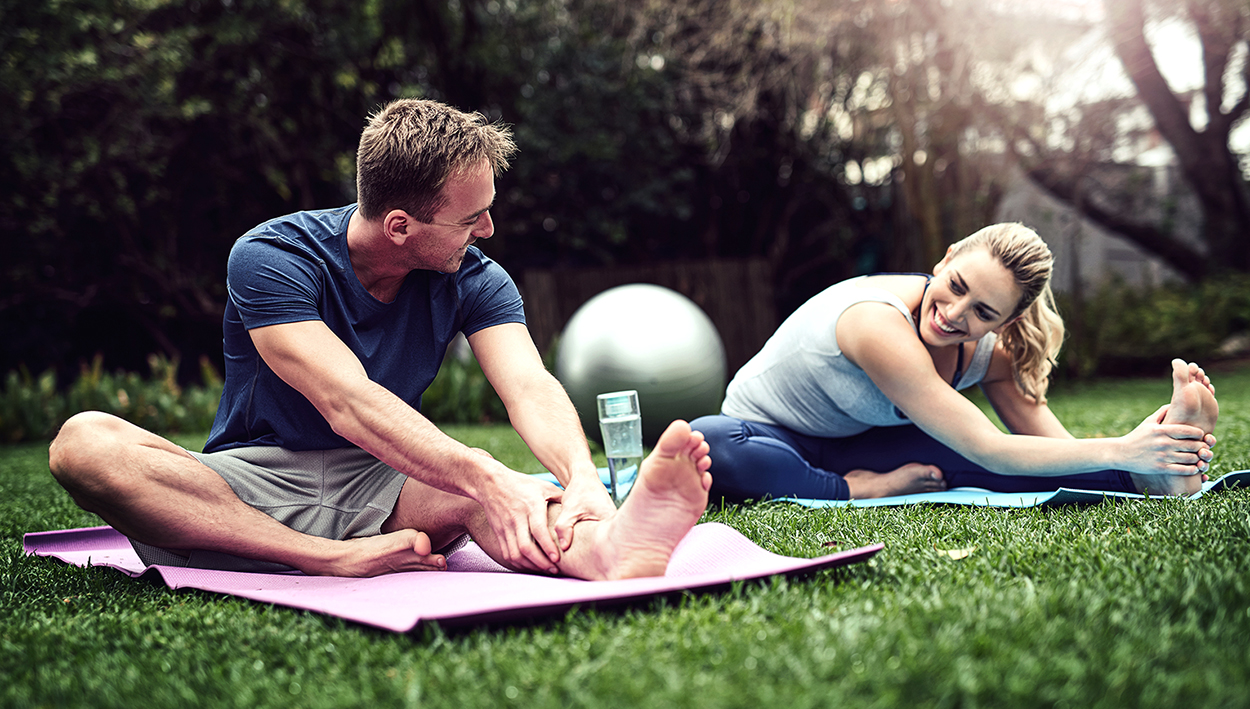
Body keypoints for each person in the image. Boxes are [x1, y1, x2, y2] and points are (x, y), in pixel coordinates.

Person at [48, 98, 713, 580]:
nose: (488, 230)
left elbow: (530, 385)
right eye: (470, 218)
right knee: (82, 442)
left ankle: (610, 550)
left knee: (491, 494)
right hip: (249, 485)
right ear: (399, 226)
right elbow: (347, 400)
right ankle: (329, 559)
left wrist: (578, 478)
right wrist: (487, 473)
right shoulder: (272, 257)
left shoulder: (474, 278)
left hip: (383, 485)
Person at [691, 223, 1218, 502]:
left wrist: (1143, 458)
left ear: (1005, 323)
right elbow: (989, 446)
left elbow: (1047, 450)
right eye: (955, 286)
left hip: (857, 441)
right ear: (943, 261)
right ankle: (857, 487)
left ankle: (1154, 484)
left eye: (983, 311)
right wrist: (1122, 445)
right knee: (710, 442)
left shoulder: (995, 354)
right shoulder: (875, 323)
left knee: (984, 463)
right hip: (767, 435)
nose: (953, 314)